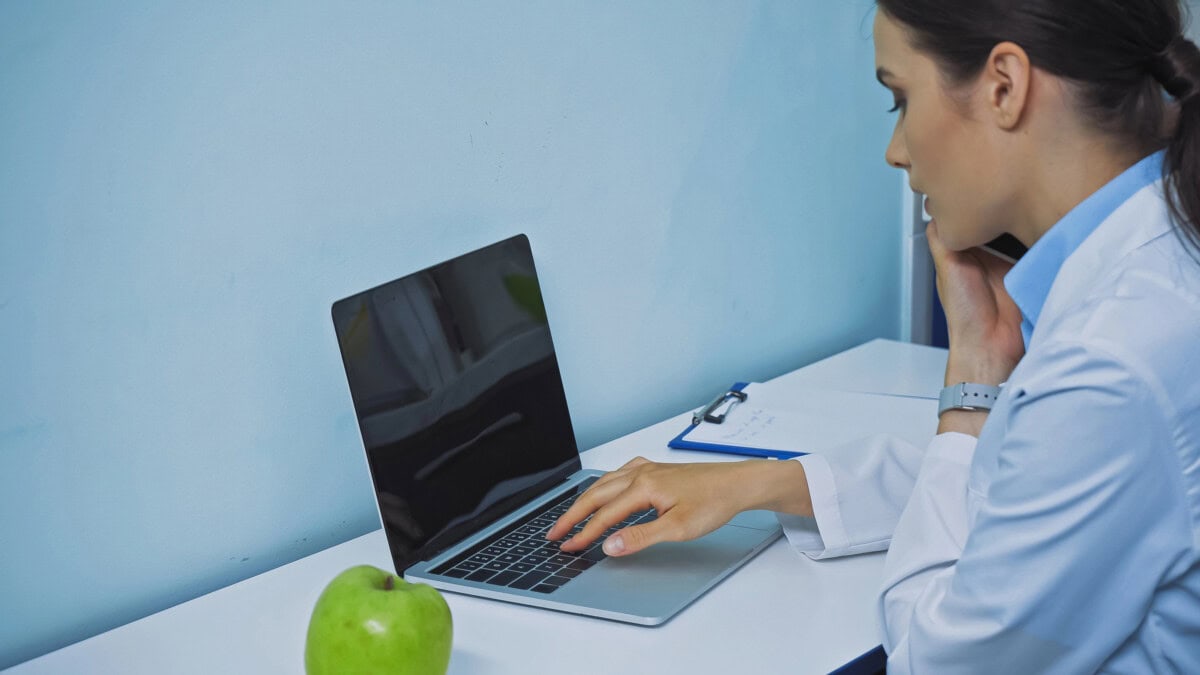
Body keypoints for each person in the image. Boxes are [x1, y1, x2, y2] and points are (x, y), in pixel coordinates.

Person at [546, 1, 1200, 671]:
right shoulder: (1156, 273)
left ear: (1004, 85)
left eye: (900, 99)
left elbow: (930, 658)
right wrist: (762, 484)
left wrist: (970, 387)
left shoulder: (1112, 362)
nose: (895, 151)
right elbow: (1026, 489)